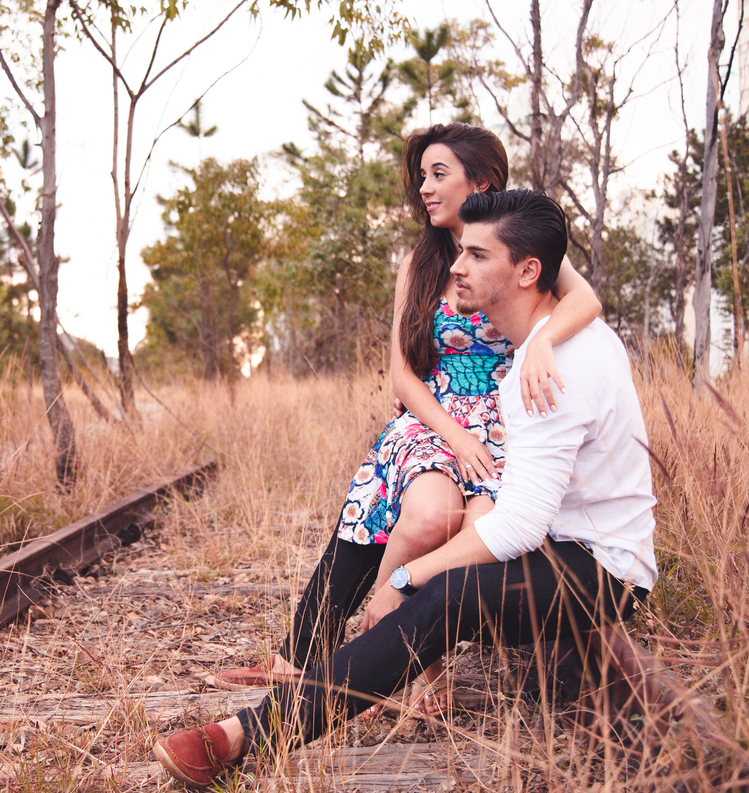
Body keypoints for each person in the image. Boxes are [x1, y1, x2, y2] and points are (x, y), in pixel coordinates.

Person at [155, 189, 657, 789]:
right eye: (460, 252)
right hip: (569, 545)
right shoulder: (545, 348)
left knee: (442, 593)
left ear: (527, 272)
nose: (456, 266)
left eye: (476, 255)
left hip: (603, 572)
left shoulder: (546, 372)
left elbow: (520, 524)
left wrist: (403, 578)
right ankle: (284, 713)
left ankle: (244, 738)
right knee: (441, 582)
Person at [210, 123, 602, 712]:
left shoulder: (517, 243)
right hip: (434, 417)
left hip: (507, 422)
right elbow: (401, 375)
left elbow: (586, 302)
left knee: (479, 528)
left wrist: (543, 344)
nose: (424, 187)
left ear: (484, 182)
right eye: (422, 176)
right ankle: (325, 650)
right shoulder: (418, 265)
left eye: (438, 174)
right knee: (425, 518)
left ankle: (421, 665)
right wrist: (456, 436)